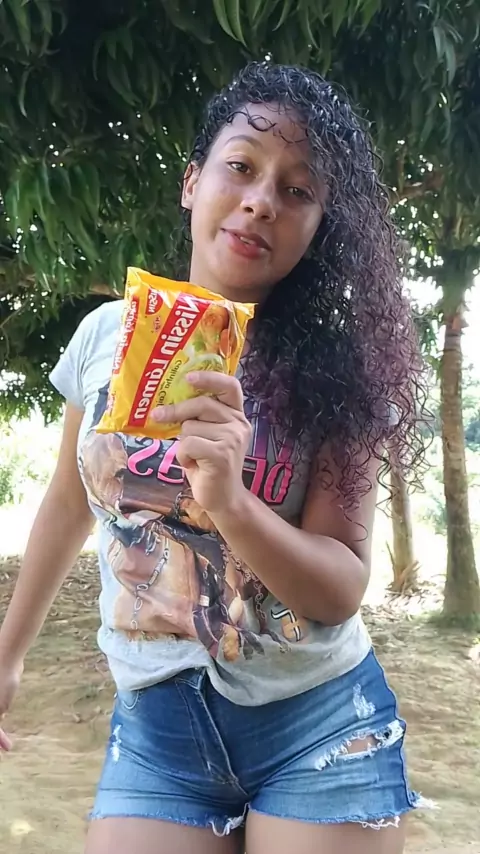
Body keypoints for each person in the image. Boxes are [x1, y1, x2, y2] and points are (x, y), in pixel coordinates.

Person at [0, 62, 429, 854]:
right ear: (192, 182)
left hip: (317, 722)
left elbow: (340, 586)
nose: (262, 200)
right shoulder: (104, 338)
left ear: (318, 227)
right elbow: (65, 504)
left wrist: (232, 503)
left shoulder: (340, 372)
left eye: (298, 190)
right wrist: (7, 658)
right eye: (241, 167)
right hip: (159, 731)